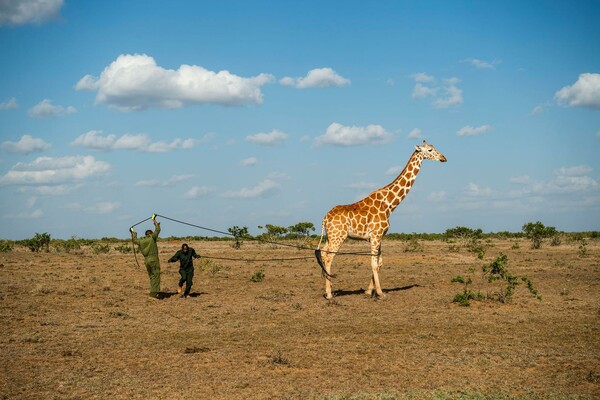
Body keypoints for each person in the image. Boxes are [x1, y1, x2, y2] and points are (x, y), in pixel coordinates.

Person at [131, 218, 162, 299]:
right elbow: (158, 229)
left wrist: (133, 232)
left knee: (152, 276)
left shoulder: (141, 241)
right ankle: (154, 294)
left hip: (146, 261)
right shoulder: (152, 238)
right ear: (151, 234)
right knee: (156, 275)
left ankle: (153, 292)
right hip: (153, 259)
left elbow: (134, 240)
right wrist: (154, 220)